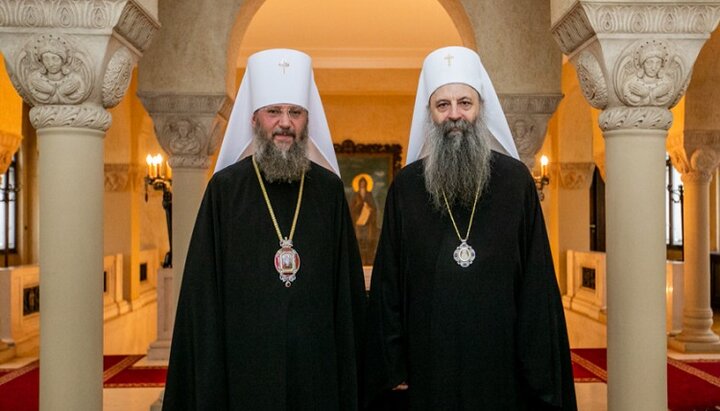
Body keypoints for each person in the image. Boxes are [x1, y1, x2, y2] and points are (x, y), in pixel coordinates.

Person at [364, 46, 577, 410]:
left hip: (501, 365)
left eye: (465, 102)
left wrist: (536, 370)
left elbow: (536, 285)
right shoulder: (408, 187)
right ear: (429, 115)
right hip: (427, 365)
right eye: (442, 105)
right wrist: (392, 365)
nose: (455, 115)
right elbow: (388, 286)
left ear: (480, 110)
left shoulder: (516, 182)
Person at [162, 48, 367, 410]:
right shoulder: (225, 190)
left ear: (307, 120)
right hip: (243, 374)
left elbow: (346, 297)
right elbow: (203, 298)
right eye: (274, 111)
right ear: (255, 118)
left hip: (316, 375)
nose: (285, 123)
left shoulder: (329, 191)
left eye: (295, 112)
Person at [350, 175, 378, 265]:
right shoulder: (356, 195)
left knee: (368, 240)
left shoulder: (369, 194)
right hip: (358, 222)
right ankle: (360, 260)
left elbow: (374, 208)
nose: (362, 184)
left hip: (368, 223)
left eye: (364, 183)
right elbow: (351, 209)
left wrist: (369, 208)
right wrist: (359, 205)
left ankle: (368, 260)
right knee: (359, 241)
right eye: (361, 183)